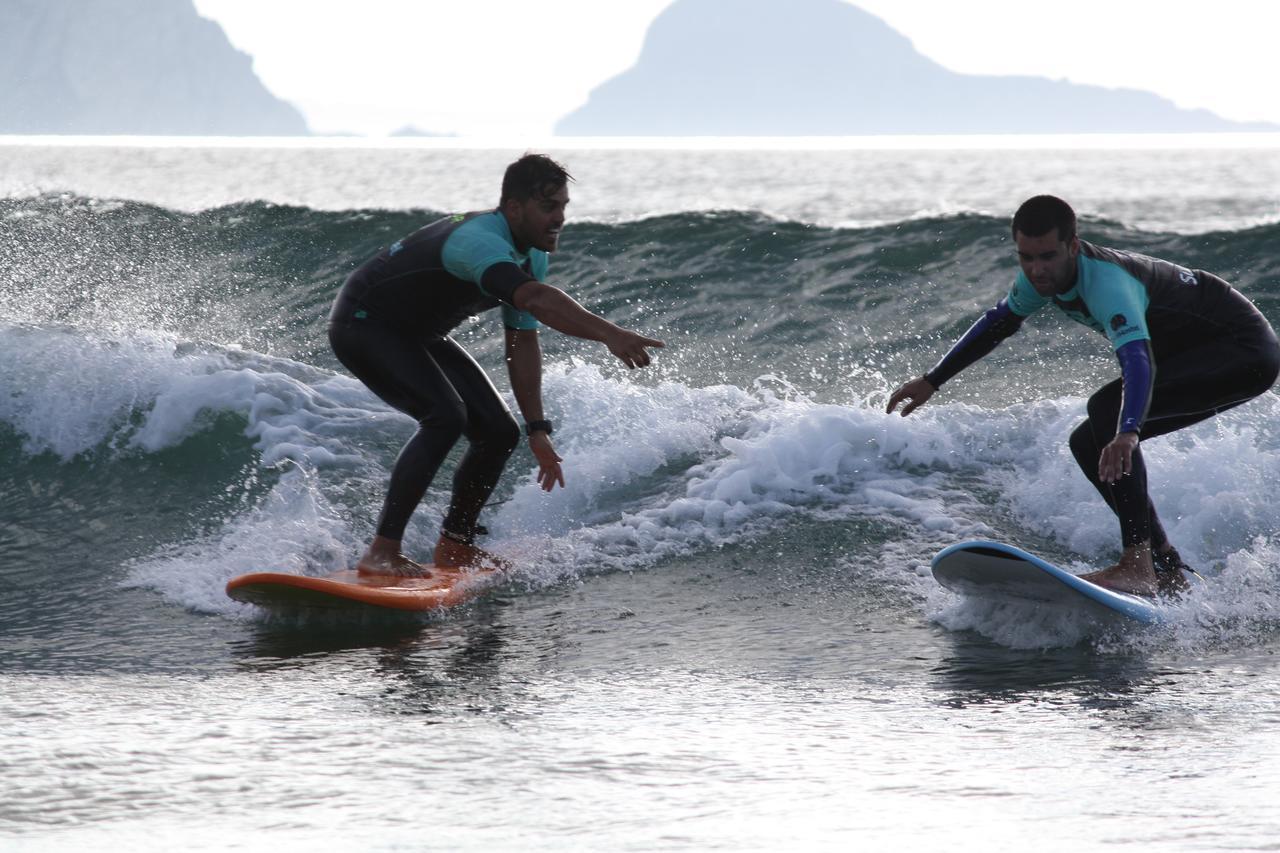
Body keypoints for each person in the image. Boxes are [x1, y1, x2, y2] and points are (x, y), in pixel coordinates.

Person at [886, 195, 1279, 596]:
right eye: (1026, 257)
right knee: (1086, 442)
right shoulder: (1043, 278)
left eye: (1047, 256)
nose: (1037, 269)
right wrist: (933, 380)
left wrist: (1129, 431)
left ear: (1072, 246)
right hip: (1198, 352)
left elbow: (1138, 361)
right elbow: (998, 324)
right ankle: (1167, 568)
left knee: (1107, 411)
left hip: (1242, 349)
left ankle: (1137, 565)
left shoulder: (1108, 284)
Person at [328, 153, 664, 576]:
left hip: (418, 333)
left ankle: (455, 547)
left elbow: (522, 340)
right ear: (514, 208)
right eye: (548, 207)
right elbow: (538, 300)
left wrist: (537, 429)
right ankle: (381, 552)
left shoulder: (530, 254)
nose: (559, 217)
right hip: (365, 324)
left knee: (499, 433)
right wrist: (611, 334)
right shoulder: (480, 241)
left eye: (563, 206)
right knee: (445, 417)